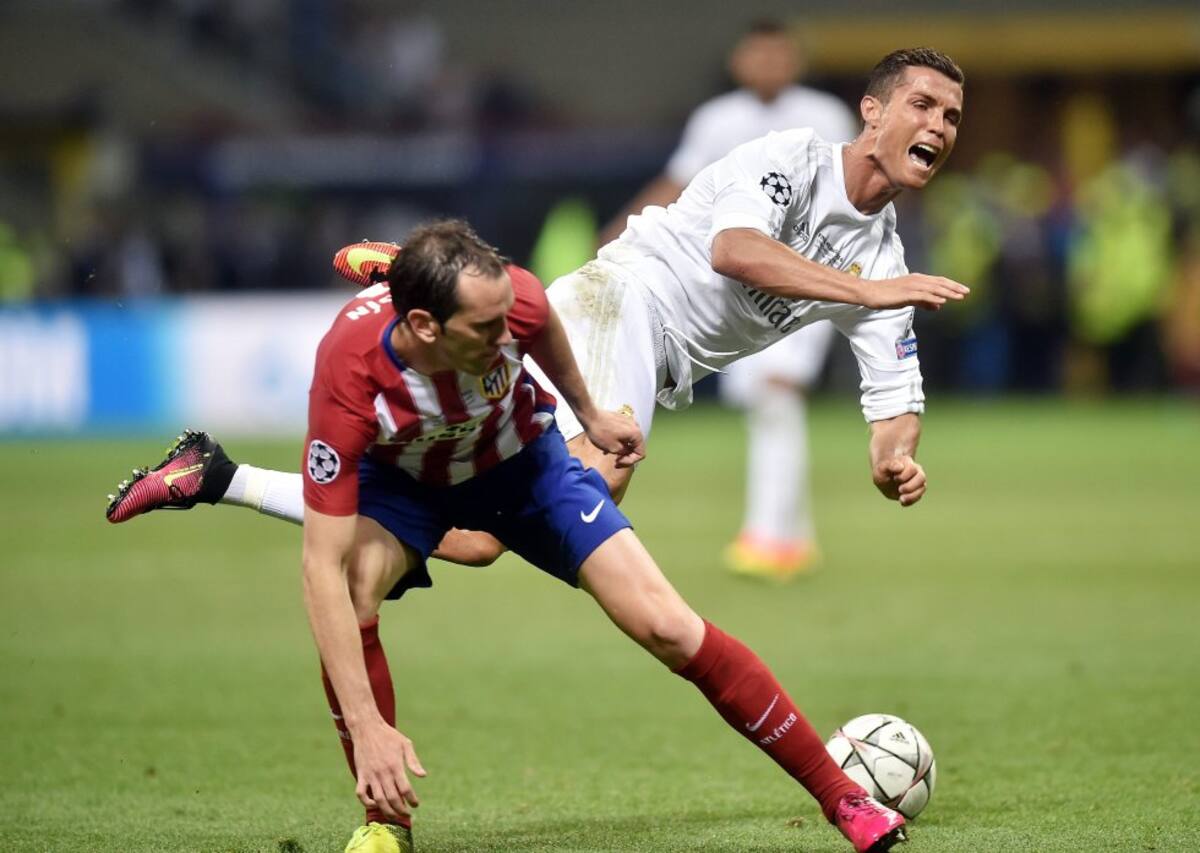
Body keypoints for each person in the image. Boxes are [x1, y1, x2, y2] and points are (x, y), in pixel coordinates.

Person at [111, 221, 910, 853]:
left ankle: (842, 799)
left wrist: (591, 412)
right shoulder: (347, 378)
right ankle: (386, 825)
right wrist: (369, 727)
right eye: (485, 328)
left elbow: (542, 322)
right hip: (410, 484)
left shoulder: (513, 302)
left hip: (528, 470)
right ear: (421, 324)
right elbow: (318, 567)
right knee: (357, 589)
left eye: (506, 319)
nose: (507, 336)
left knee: (668, 624)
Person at [109, 47, 968, 578]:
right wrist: (863, 289)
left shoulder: (886, 262)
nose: (939, 123)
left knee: (480, 541)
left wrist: (896, 461)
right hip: (623, 299)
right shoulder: (792, 159)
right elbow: (733, 251)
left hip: (645, 350)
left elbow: (893, 402)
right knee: (580, 498)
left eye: (952, 115)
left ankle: (217, 473)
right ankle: (417, 283)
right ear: (873, 111)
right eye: (922, 104)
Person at [597, 19, 859, 579]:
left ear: (794, 60)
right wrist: (619, 232)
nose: (767, 64)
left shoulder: (826, 116)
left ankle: (767, 539)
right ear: (740, 61)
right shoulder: (718, 120)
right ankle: (793, 536)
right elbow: (678, 180)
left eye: (778, 54)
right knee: (767, 404)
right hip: (733, 280)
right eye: (757, 54)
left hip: (803, 273)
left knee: (774, 392)